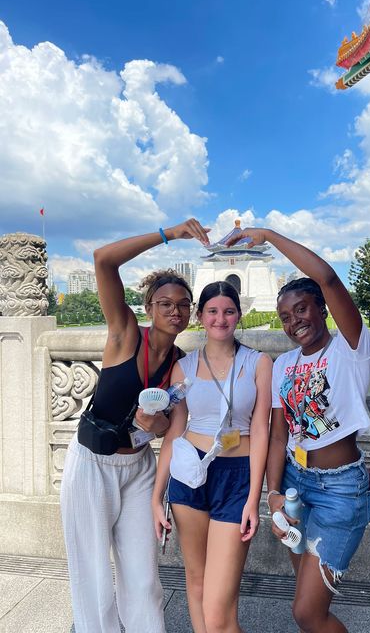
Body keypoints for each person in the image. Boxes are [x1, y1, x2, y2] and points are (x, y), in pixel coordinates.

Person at [60, 219, 210, 633]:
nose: (175, 311)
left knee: (144, 577)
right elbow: (103, 260)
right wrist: (169, 234)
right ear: (149, 308)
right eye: (165, 303)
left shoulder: (179, 362)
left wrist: (155, 422)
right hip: (93, 464)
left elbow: (165, 428)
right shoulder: (125, 334)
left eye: (183, 305)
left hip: (139, 468)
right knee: (92, 575)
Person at [227, 227, 370, 633]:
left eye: (303, 310)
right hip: (294, 484)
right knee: (306, 597)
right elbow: (278, 435)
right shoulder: (282, 365)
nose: (295, 322)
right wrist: (272, 495)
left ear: (322, 308)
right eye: (286, 317)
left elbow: (327, 278)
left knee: (307, 613)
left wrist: (269, 236)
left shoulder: (351, 349)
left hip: (341, 490)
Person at [152, 280, 272, 633]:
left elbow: (262, 429)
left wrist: (254, 498)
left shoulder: (258, 363)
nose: (221, 319)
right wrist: (156, 497)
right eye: (213, 311)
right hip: (190, 474)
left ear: (239, 315)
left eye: (229, 311)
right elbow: (174, 432)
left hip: (237, 477)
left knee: (219, 609)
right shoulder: (184, 368)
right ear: (201, 317)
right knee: (198, 581)